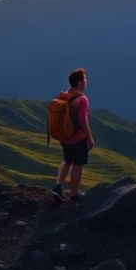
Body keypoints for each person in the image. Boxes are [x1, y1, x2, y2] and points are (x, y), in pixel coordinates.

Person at [52, 68, 94, 201]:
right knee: (77, 164)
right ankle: (74, 193)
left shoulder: (64, 95)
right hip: (78, 138)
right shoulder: (82, 99)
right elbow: (83, 120)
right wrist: (89, 138)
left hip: (64, 137)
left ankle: (58, 186)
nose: (86, 82)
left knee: (67, 161)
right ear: (80, 82)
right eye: (85, 79)